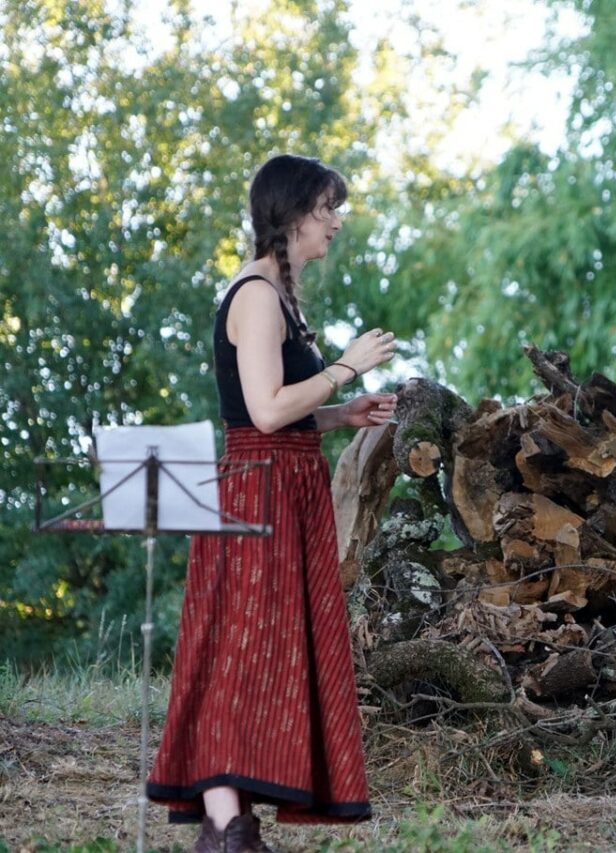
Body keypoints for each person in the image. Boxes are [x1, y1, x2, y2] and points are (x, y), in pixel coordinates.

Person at [146, 154, 400, 852]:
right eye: (326, 209)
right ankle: (226, 820)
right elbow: (261, 414)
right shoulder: (256, 293)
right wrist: (347, 365)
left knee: (267, 647)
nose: (336, 222)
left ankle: (230, 821)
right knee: (238, 645)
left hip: (284, 480)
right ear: (290, 216)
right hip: (256, 488)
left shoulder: (281, 296)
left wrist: (340, 412)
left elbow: (283, 412)